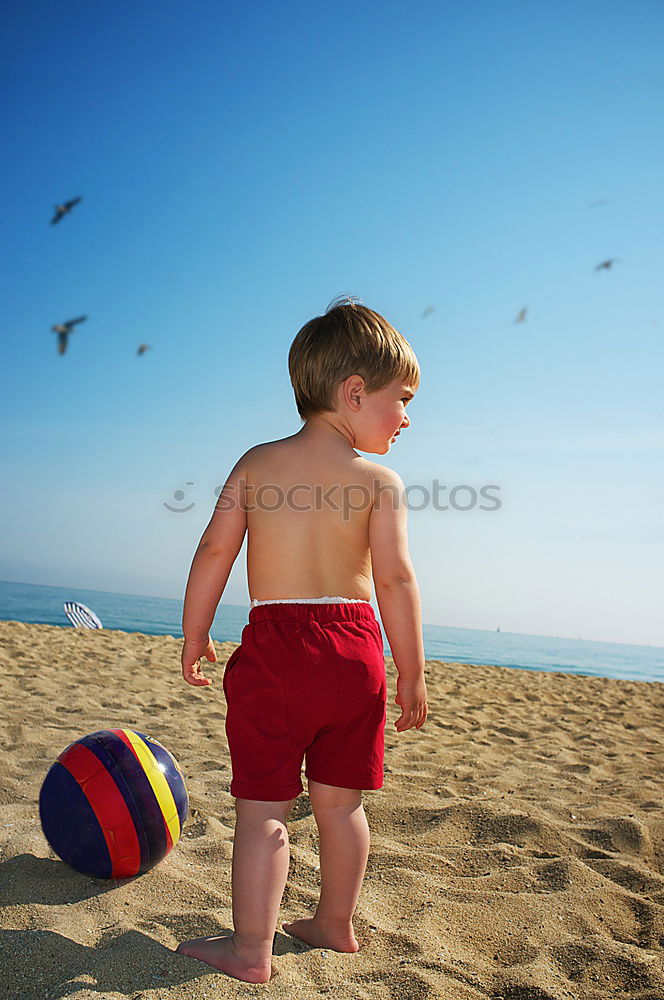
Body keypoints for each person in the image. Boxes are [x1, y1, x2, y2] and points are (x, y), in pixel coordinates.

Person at [175, 296, 428, 984]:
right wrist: (410, 672)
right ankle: (334, 925)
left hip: (277, 649)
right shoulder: (380, 481)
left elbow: (213, 552)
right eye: (400, 399)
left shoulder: (259, 462)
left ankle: (251, 949)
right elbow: (396, 582)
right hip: (355, 650)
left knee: (264, 811)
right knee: (343, 805)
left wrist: (196, 632)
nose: (407, 417)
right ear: (353, 393)